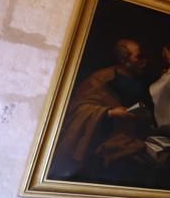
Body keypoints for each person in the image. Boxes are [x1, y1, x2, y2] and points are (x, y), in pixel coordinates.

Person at [52, 38, 155, 181]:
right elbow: (78, 108)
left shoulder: (146, 82)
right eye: (139, 57)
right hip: (105, 141)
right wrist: (110, 113)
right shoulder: (100, 79)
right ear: (124, 59)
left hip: (138, 138)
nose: (145, 61)